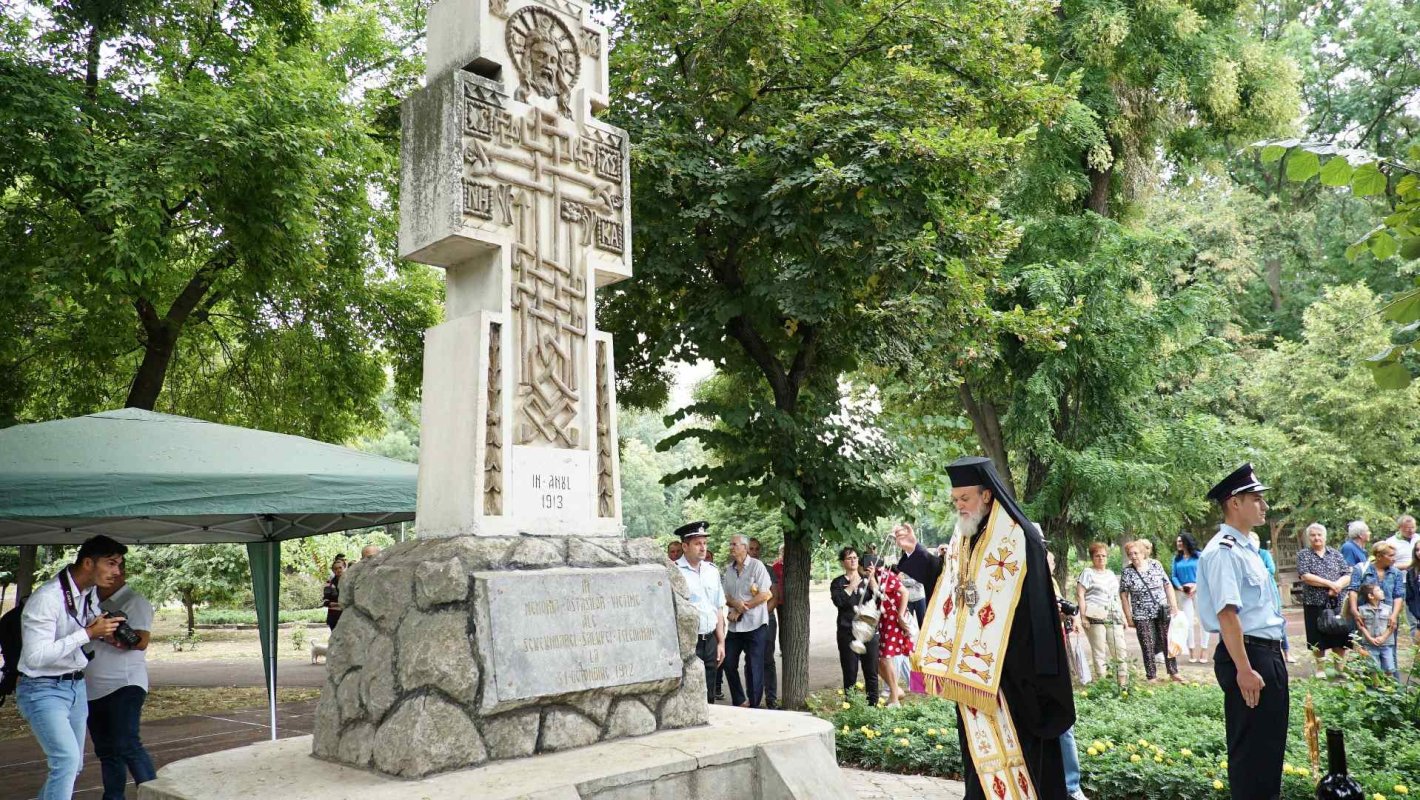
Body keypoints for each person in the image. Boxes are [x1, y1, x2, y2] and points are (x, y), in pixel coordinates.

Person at [896, 456, 1074, 800]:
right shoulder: (963, 537)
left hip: (1016, 672)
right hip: (972, 673)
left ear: (987, 495)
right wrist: (914, 552)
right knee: (978, 765)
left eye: (965, 498)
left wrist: (1039, 670)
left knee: (1025, 756)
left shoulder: (1020, 538)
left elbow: (1039, 610)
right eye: (955, 500)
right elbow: (947, 584)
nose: (959, 506)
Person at [1196, 463, 1288, 800]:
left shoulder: (1248, 549)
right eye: (1257, 499)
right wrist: (1244, 668)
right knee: (1252, 757)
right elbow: (1227, 615)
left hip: (1265, 653)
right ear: (1235, 502)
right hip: (1248, 656)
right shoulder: (1223, 552)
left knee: (1269, 751)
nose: (1264, 505)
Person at [18, 535, 127, 800]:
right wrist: (88, 633)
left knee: (73, 764)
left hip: (76, 686)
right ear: (88, 563)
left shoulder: (87, 594)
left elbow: (80, 630)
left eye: (119, 565)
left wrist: (105, 634)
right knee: (66, 761)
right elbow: (35, 657)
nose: (117, 572)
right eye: (111, 563)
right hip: (42, 688)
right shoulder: (47, 598)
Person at [86, 563, 157, 799]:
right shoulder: (88, 601)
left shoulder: (134, 601)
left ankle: (153, 795)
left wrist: (112, 635)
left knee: (127, 745)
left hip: (124, 684)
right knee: (107, 751)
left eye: (113, 568)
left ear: (121, 573)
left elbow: (141, 641)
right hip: (92, 688)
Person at [674, 521, 725, 703]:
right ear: (685, 546)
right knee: (689, 692)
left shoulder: (711, 571)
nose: (703, 548)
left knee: (709, 693)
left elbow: (718, 608)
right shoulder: (675, 572)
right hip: (688, 641)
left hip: (710, 639)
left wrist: (721, 642)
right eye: (697, 543)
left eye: (705, 543)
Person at [720, 533, 774, 708]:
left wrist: (743, 607)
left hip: (755, 624)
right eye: (730, 544)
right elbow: (725, 596)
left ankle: (754, 705)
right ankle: (740, 700)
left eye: (734, 544)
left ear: (744, 547)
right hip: (735, 627)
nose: (731, 547)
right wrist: (735, 604)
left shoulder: (757, 566)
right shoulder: (729, 570)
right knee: (728, 662)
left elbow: (765, 594)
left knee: (754, 666)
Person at [1120, 540, 1182, 682]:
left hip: (1161, 610)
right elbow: (1123, 595)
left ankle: (1173, 672)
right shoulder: (1127, 572)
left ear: (1143, 553)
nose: (1133, 556)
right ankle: (1151, 676)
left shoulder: (1155, 565)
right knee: (1147, 644)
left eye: (1136, 553)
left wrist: (1173, 605)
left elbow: (1167, 585)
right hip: (1141, 614)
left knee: (1167, 641)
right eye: (1130, 554)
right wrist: (1128, 616)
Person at [1295, 522, 1352, 675]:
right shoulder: (1303, 555)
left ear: (1325, 537)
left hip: (1336, 602)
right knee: (1317, 636)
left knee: (1339, 634)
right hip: (1314, 602)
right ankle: (1320, 669)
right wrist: (1330, 584)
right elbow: (1305, 576)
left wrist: (1337, 586)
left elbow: (1347, 574)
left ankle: (1339, 668)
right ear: (1308, 538)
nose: (1316, 538)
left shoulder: (1335, 554)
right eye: (1313, 535)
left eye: (1319, 535)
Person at [830, 547, 880, 703]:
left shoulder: (867, 579)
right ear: (842, 562)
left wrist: (872, 579)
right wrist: (851, 586)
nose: (853, 560)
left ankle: (873, 705)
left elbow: (879, 600)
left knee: (871, 672)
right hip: (847, 632)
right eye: (849, 558)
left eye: (855, 557)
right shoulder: (838, 582)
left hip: (868, 631)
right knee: (850, 672)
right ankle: (851, 706)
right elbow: (839, 602)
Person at [1344, 541, 1404, 667]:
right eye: (1390, 555)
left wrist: (1394, 615)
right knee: (1363, 649)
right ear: (1379, 556)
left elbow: (1398, 596)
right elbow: (1353, 590)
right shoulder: (1361, 569)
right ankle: (1365, 677)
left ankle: (1390, 677)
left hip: (1387, 617)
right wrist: (1354, 611)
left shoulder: (1396, 573)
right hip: (1365, 616)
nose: (1394, 558)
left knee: (1389, 650)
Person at [1076, 542, 1127, 687]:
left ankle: (1122, 682)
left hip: (1113, 614)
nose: (1101, 558)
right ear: (1092, 558)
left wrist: (1123, 616)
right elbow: (1080, 595)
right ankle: (1102, 683)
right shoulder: (1087, 572)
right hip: (1095, 615)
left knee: (1119, 648)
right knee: (1099, 650)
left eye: (1103, 556)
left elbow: (1116, 597)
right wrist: (1083, 617)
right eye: (1097, 556)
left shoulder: (1111, 574)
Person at [866, 554, 910, 707]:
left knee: (893, 658)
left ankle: (897, 696)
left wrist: (901, 616)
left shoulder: (885, 574)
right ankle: (896, 690)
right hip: (883, 622)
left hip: (894, 621)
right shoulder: (872, 576)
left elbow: (905, 592)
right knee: (879, 659)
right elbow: (878, 594)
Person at [1248, 532, 1296, 664]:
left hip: (1269, 592)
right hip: (1254, 595)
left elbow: (1271, 570)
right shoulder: (1245, 555)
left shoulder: (1264, 554)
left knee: (1278, 620)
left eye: (1254, 540)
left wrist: (1255, 575)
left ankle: (1286, 652)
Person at [748, 537, 779, 709]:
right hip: (747, 622)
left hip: (767, 620)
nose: (754, 552)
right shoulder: (740, 570)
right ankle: (753, 699)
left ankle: (771, 699)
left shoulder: (768, 570)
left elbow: (775, 596)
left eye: (757, 549)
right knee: (751, 660)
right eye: (751, 549)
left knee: (767, 659)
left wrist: (761, 614)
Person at [1171, 533, 1211, 664]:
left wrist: (1196, 586)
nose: (1178, 544)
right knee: (1187, 623)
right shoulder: (1176, 559)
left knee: (1203, 621)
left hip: (1200, 591)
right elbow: (1174, 576)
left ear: (1187, 542)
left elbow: (1205, 572)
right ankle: (1192, 650)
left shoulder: (1199, 556)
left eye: (1181, 541)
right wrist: (1180, 587)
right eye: (1177, 541)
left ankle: (1204, 649)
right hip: (1184, 593)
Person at [1355, 583, 1398, 679]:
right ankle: (1375, 686)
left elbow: (1392, 626)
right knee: (1373, 669)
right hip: (1369, 644)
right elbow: (1361, 626)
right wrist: (1369, 638)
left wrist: (1383, 637)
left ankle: (1389, 686)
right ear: (1370, 596)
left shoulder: (1388, 609)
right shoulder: (1362, 610)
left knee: (1389, 668)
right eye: (1378, 590)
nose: (1382, 591)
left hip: (1386, 643)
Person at [323, 556, 347, 631]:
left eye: (340, 568)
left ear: (344, 568)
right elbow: (325, 602)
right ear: (333, 570)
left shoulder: (351, 582)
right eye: (336, 569)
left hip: (348, 617)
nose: (338, 570)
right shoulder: (329, 584)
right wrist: (340, 604)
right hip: (334, 618)